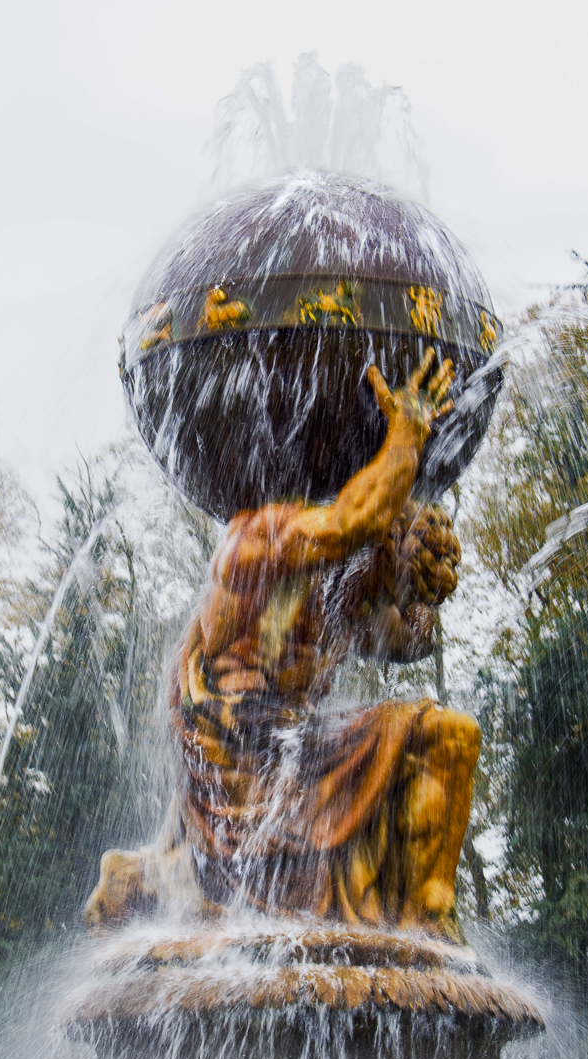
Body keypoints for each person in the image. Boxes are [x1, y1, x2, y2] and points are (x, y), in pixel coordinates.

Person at [86, 350, 480, 942]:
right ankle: (150, 875)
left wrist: (421, 573)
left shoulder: (346, 592)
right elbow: (354, 522)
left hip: (298, 741)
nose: (384, 604)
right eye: (388, 584)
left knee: (448, 734)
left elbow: (411, 641)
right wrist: (406, 433)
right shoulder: (263, 540)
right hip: (235, 745)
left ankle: (431, 925)